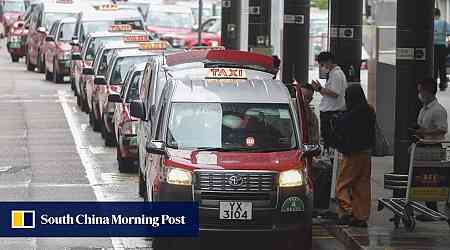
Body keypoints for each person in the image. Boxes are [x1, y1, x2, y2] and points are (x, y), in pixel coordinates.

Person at [333, 84, 376, 227]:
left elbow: (339, 129)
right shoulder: (369, 110)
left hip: (352, 155)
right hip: (366, 154)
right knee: (362, 185)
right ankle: (361, 216)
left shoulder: (349, 116)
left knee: (342, 185)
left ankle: (349, 210)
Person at [412, 78, 448, 221]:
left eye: (420, 91)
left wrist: (425, 132)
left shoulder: (438, 110)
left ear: (428, 92)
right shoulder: (424, 108)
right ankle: (429, 209)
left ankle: (432, 210)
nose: (419, 94)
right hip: (423, 146)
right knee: (423, 179)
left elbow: (442, 129)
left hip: (433, 148)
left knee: (431, 179)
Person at [311, 52, 348, 153]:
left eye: (322, 64)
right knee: (328, 141)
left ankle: (331, 162)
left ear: (329, 61)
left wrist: (319, 88)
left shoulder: (336, 74)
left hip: (332, 113)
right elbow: (329, 95)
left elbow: (335, 93)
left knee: (330, 141)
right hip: (330, 111)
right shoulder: (333, 73)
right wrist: (320, 89)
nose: (322, 67)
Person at [434, 8, 450, 91]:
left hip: (432, 47)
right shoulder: (444, 23)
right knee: (442, 66)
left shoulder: (430, 23)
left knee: (434, 66)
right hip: (441, 47)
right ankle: (442, 84)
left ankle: (433, 84)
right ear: (439, 15)